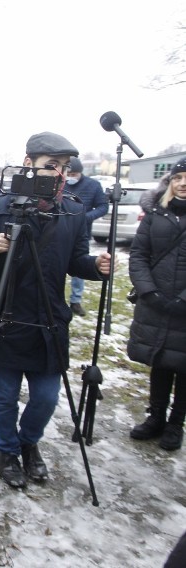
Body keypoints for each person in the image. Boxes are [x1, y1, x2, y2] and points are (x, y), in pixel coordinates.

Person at [0, 132, 112, 489]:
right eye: (52, 166)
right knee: (5, 397)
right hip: (6, 318)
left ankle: (29, 443)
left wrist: (96, 266)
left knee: (46, 398)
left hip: (49, 322)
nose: (60, 173)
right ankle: (7, 451)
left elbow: (75, 260)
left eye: (64, 167)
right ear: (28, 164)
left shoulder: (73, 211)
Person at [127, 158, 186, 451]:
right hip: (156, 301)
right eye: (178, 178)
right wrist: (148, 291)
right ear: (170, 183)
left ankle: (176, 423)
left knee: (184, 365)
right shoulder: (155, 215)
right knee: (160, 360)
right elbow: (138, 254)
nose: (183, 183)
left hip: (183, 306)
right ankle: (156, 417)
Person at [65, 156, 108, 316]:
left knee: (79, 264)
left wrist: (85, 217)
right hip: (59, 231)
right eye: (68, 173)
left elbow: (103, 206)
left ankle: (75, 300)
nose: (71, 177)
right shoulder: (60, 184)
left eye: (74, 174)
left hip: (81, 233)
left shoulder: (93, 185)